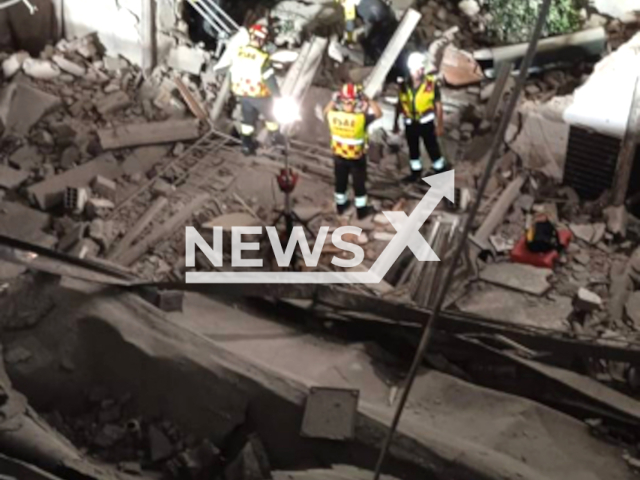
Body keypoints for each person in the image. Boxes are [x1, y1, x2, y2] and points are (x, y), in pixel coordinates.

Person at [324, 83, 382, 219]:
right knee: (359, 184)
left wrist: (333, 99)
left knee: (340, 182)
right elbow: (379, 113)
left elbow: (325, 112)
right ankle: (361, 211)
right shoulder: (360, 119)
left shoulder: (334, 116)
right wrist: (368, 100)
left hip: (338, 156)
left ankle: (340, 206)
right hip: (356, 158)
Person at [393, 52, 449, 182]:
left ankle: (440, 172)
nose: (421, 71)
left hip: (426, 122)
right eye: (418, 69)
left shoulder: (431, 84)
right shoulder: (403, 85)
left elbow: (438, 106)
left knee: (432, 148)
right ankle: (415, 173)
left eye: (422, 69)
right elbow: (399, 103)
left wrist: (440, 125)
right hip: (409, 122)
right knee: (413, 150)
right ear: (411, 69)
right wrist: (395, 122)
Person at [230, 24, 282, 156]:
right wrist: (278, 97)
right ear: (261, 40)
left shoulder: (239, 52)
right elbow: (269, 79)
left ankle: (246, 146)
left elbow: (232, 72)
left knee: (247, 120)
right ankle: (276, 139)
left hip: (242, 93)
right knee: (271, 116)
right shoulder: (262, 57)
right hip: (259, 95)